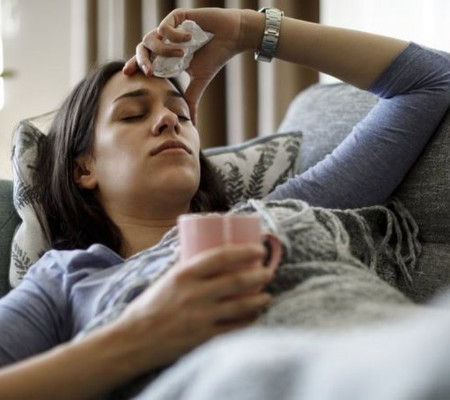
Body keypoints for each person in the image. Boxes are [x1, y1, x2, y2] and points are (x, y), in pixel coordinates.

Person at [0, 6, 449, 399]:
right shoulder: (66, 280)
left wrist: (246, 31)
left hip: (381, 350)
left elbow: (431, 81)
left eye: (181, 114)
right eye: (133, 115)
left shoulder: (276, 213)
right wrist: (139, 336)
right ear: (83, 169)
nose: (168, 121)